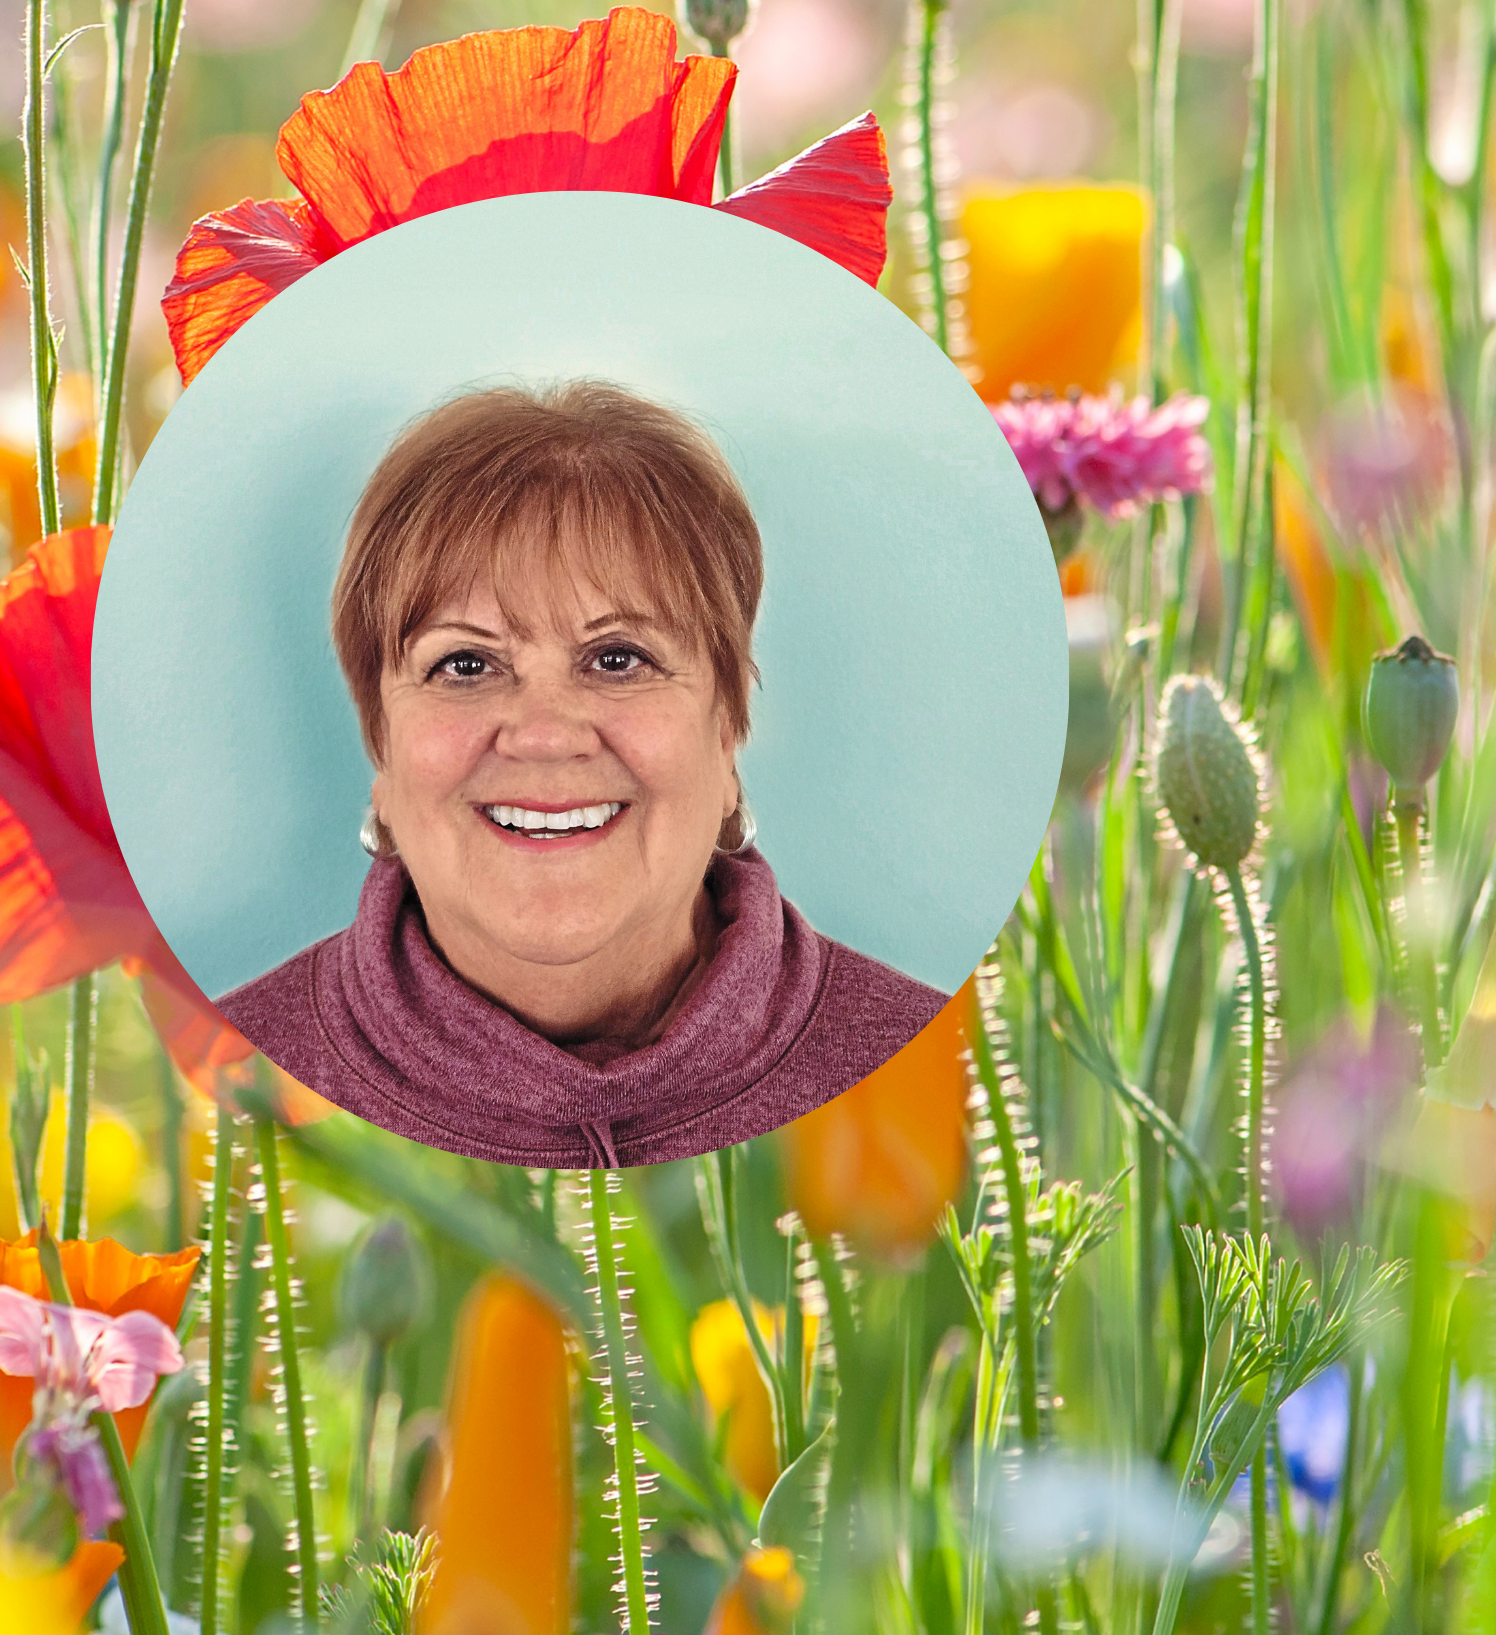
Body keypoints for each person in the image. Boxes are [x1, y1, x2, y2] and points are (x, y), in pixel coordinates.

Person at [214, 380, 954, 1166]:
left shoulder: (931, 1057)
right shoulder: (231, 1074)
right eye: (465, 664)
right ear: (381, 753)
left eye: (618, 658)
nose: (542, 735)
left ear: (728, 734)